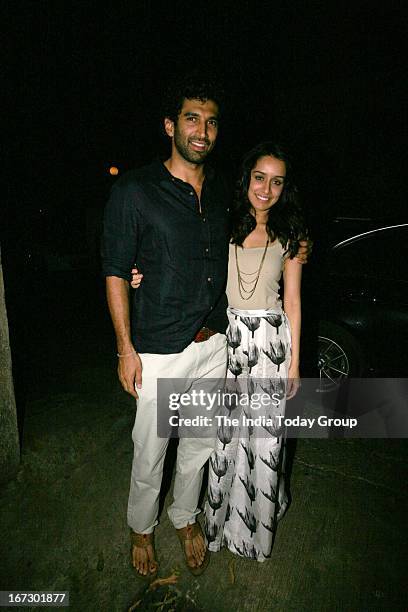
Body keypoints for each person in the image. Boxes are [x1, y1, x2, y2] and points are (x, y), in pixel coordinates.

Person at [105, 75, 310, 578]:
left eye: (211, 121)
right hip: (158, 347)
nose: (201, 130)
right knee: (151, 448)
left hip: (216, 343)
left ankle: (184, 517)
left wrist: (298, 243)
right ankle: (140, 527)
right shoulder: (135, 189)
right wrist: (124, 348)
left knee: (198, 445)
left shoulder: (224, 192)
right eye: (191, 119)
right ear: (171, 125)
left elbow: (263, 236)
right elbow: (115, 269)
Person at [203, 142, 305, 561]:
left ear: (285, 188)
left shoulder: (291, 236)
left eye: (276, 181)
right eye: (260, 177)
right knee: (225, 442)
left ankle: (258, 531)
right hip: (229, 342)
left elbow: (294, 302)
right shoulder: (221, 225)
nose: (266, 189)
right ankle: (220, 524)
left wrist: (295, 364)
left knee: (265, 442)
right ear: (246, 178)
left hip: (270, 344)